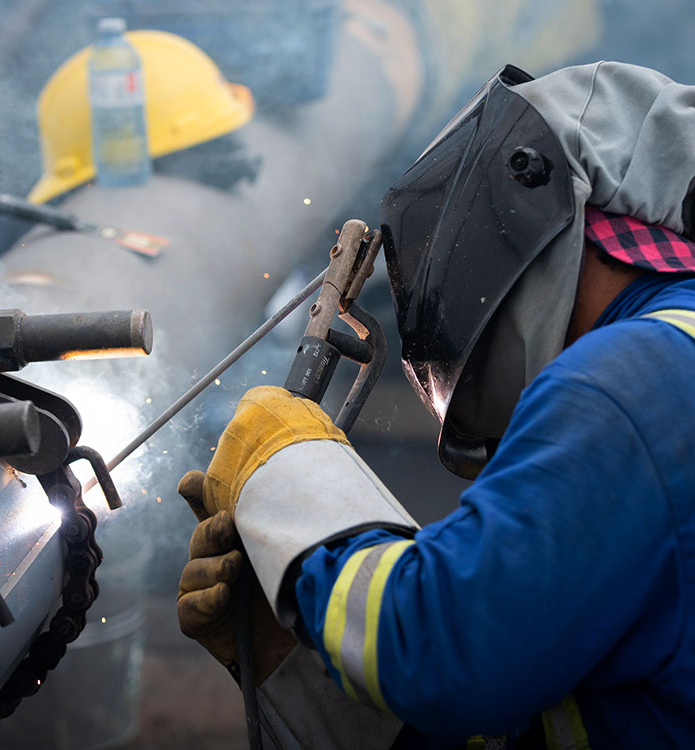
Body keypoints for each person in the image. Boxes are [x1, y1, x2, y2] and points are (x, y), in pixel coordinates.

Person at [176, 61, 695, 749]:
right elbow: (511, 709)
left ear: (531, 189)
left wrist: (288, 480)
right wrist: (295, 647)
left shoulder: (642, 373)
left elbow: (453, 651)